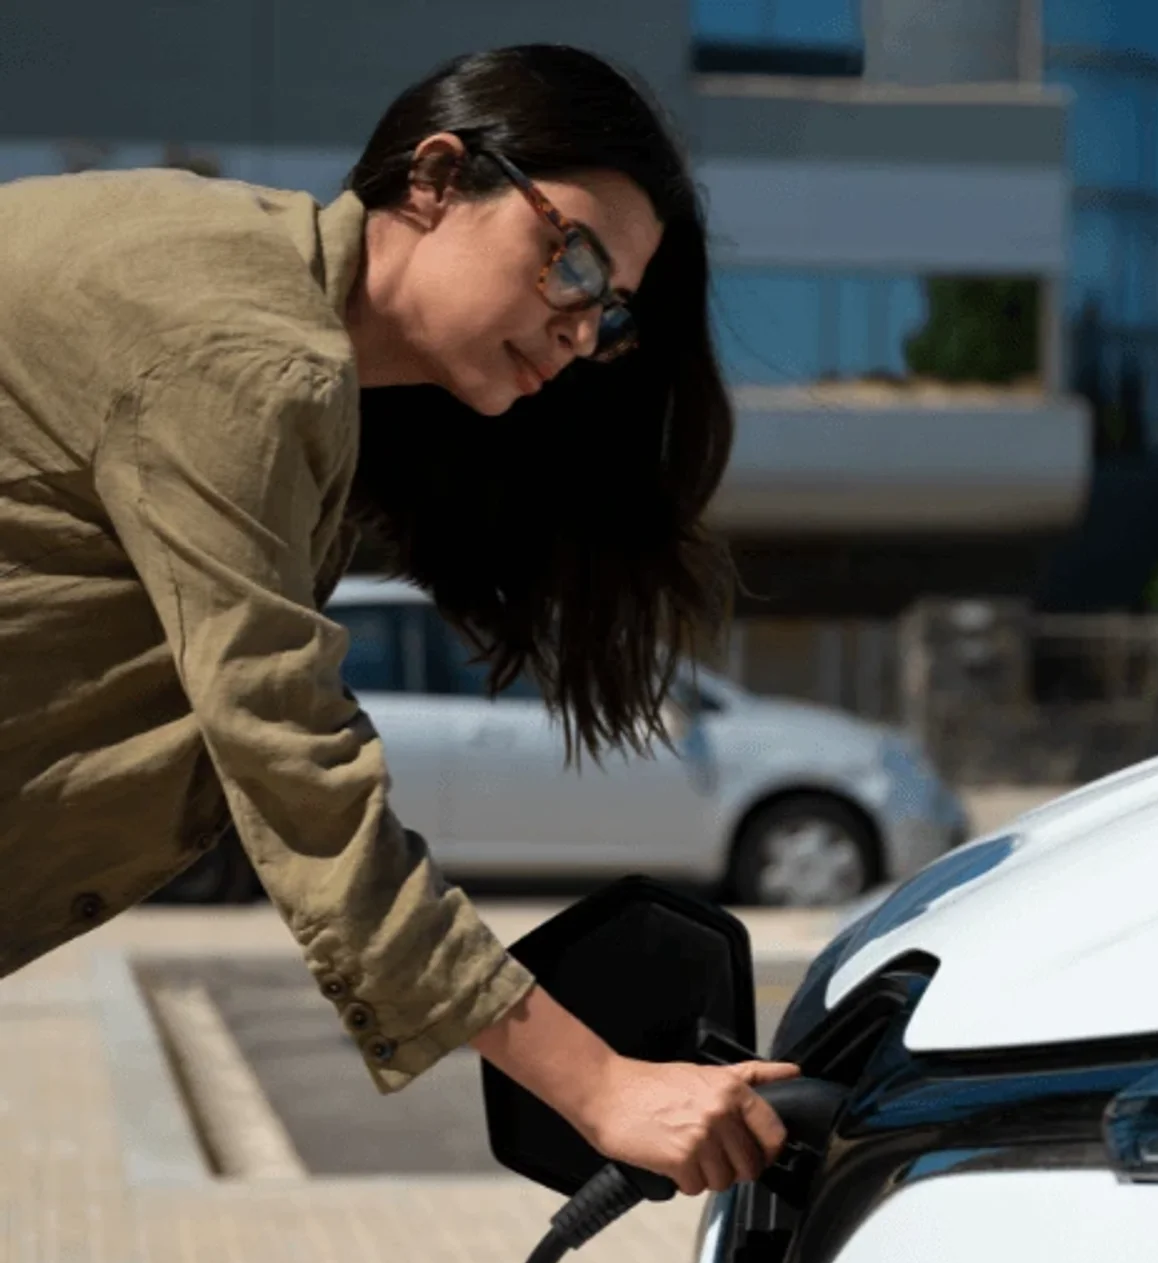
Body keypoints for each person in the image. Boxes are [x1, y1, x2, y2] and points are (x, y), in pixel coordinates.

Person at [0, 43, 798, 1198]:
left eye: (610, 309)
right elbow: (295, 768)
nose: (581, 327)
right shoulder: (246, 353)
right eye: (570, 258)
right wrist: (598, 1085)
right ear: (434, 177)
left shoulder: (254, 296)